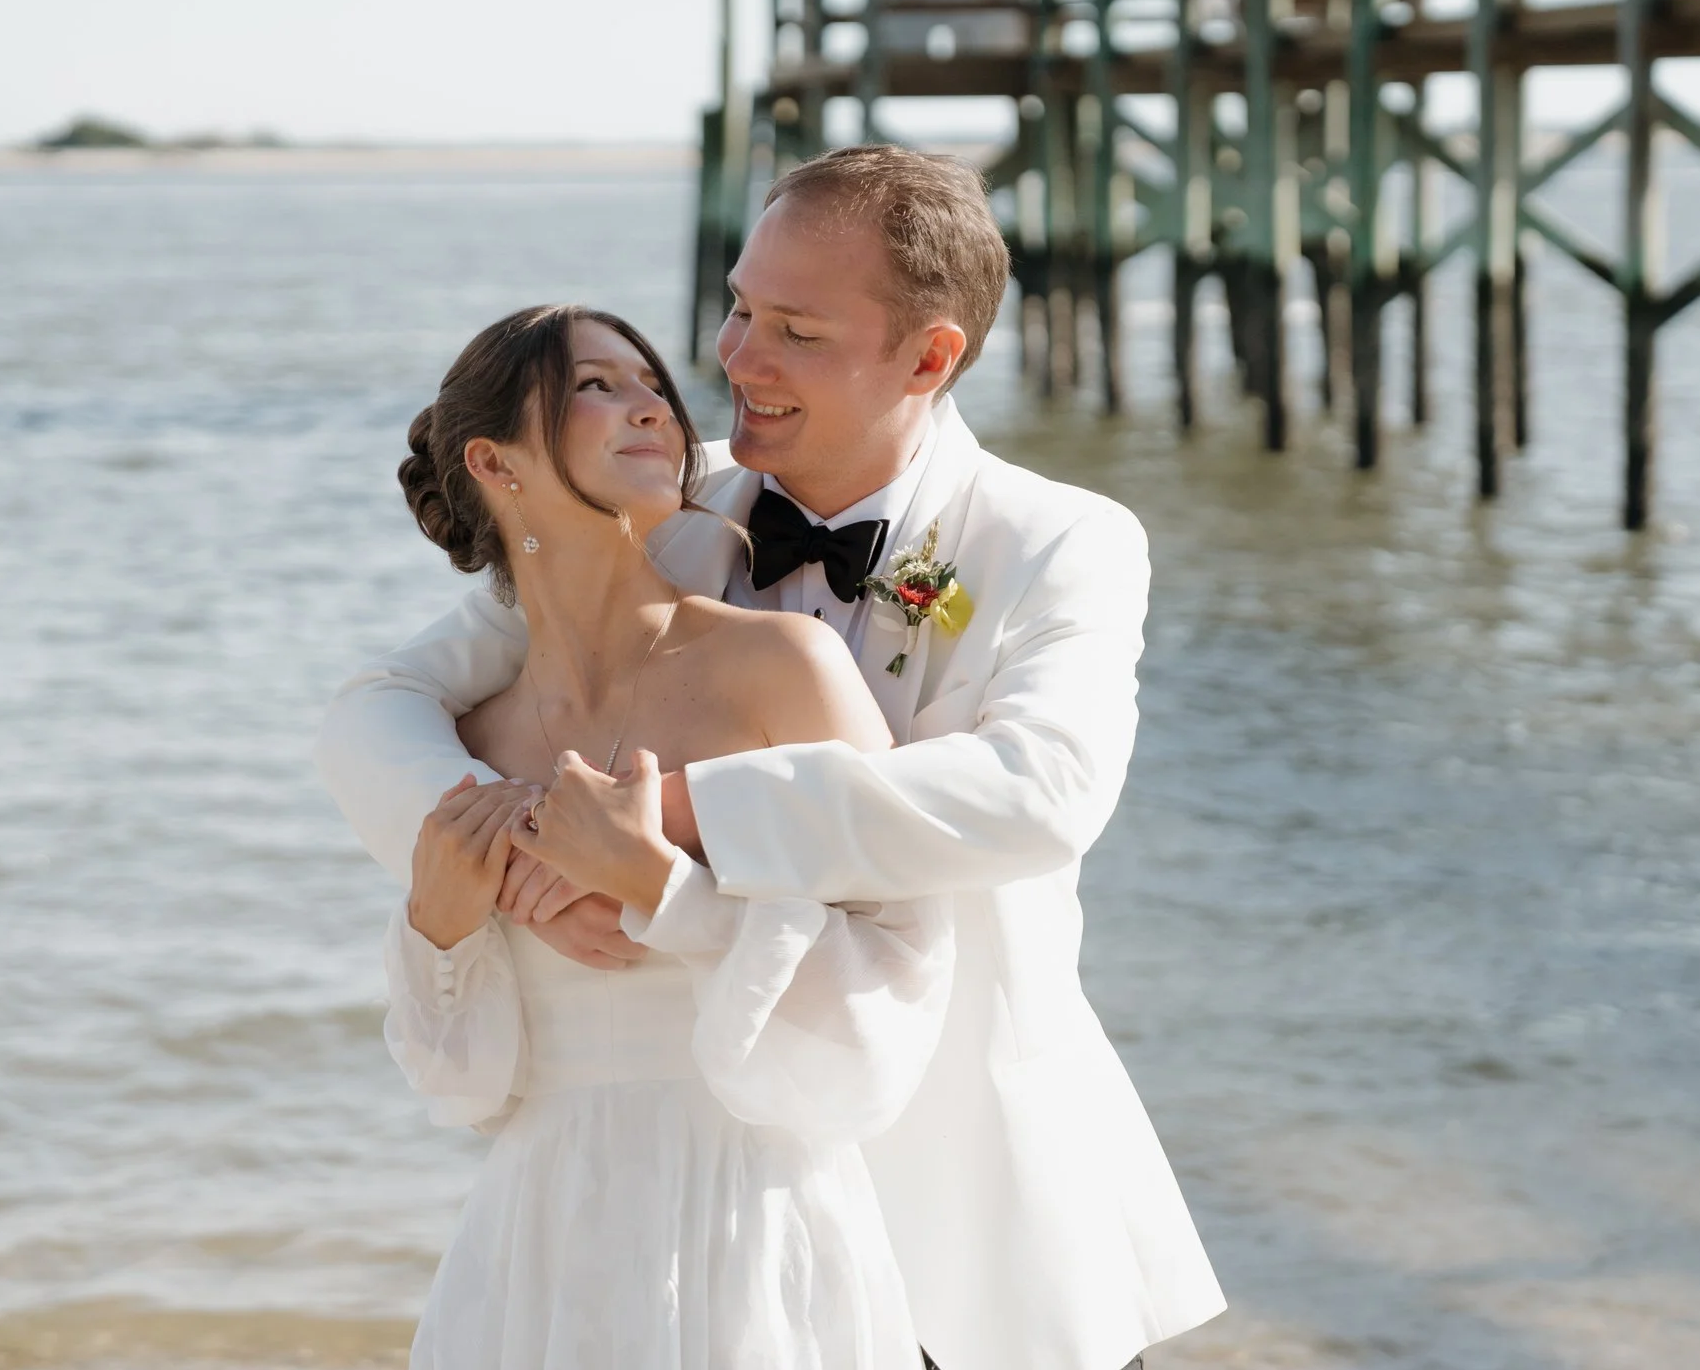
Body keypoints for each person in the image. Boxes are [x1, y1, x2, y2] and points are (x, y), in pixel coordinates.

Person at [319, 144, 1226, 1370]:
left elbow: (1041, 793)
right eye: (740, 306)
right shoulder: (659, 507)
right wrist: (513, 855)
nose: (735, 357)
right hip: (692, 1220)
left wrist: (665, 824)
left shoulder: (1058, 540)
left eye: (794, 329)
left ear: (929, 356)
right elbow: (385, 703)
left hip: (958, 1192)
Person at [365, 302, 956, 1368]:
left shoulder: (783, 668)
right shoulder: (469, 745)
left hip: (757, 1233)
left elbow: (898, 984)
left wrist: (665, 890)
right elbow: (462, 1090)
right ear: (494, 463)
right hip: (537, 1255)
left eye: (651, 386)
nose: (650, 406)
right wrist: (440, 928)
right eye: (595, 386)